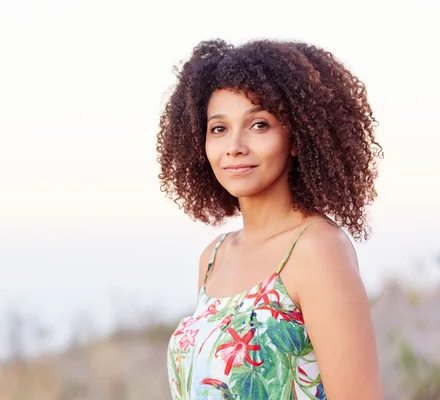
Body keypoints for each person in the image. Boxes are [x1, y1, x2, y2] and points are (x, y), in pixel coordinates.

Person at [157, 39, 384, 399]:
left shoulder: (316, 249)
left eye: (259, 124)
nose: (234, 145)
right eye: (218, 128)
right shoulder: (214, 257)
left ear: (296, 136)